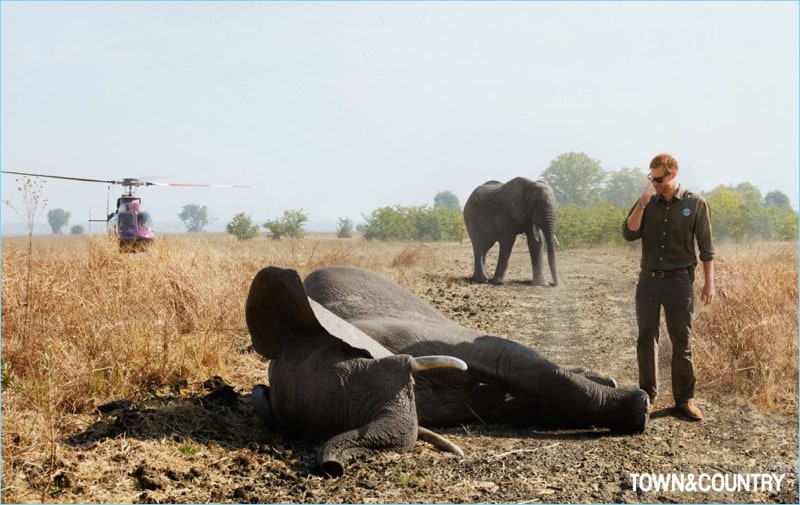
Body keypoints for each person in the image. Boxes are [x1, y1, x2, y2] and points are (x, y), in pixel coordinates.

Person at [622, 153, 715, 421]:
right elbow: (629, 232)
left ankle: (684, 400)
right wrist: (642, 203)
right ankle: (647, 397)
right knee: (646, 337)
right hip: (649, 279)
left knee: (682, 341)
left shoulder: (695, 204)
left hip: (679, 280)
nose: (654, 182)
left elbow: (707, 249)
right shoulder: (646, 202)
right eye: (651, 177)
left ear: (673, 175)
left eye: (659, 178)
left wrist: (710, 283)